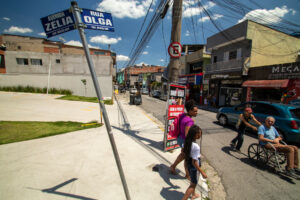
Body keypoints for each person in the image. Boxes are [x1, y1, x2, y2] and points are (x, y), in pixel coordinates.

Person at [170, 100, 198, 179]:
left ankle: (186, 173)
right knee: (186, 157)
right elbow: (187, 135)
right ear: (190, 111)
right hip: (185, 141)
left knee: (184, 156)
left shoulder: (183, 115)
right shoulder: (189, 121)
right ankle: (175, 167)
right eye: (195, 111)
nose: (196, 113)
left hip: (179, 137)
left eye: (197, 111)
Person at [182, 125, 207, 200]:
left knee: (192, 180)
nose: (200, 135)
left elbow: (182, 152)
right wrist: (202, 172)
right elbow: (195, 162)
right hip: (194, 167)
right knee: (193, 185)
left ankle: (193, 194)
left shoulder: (186, 142)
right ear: (194, 135)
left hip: (188, 164)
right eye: (199, 133)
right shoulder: (196, 146)